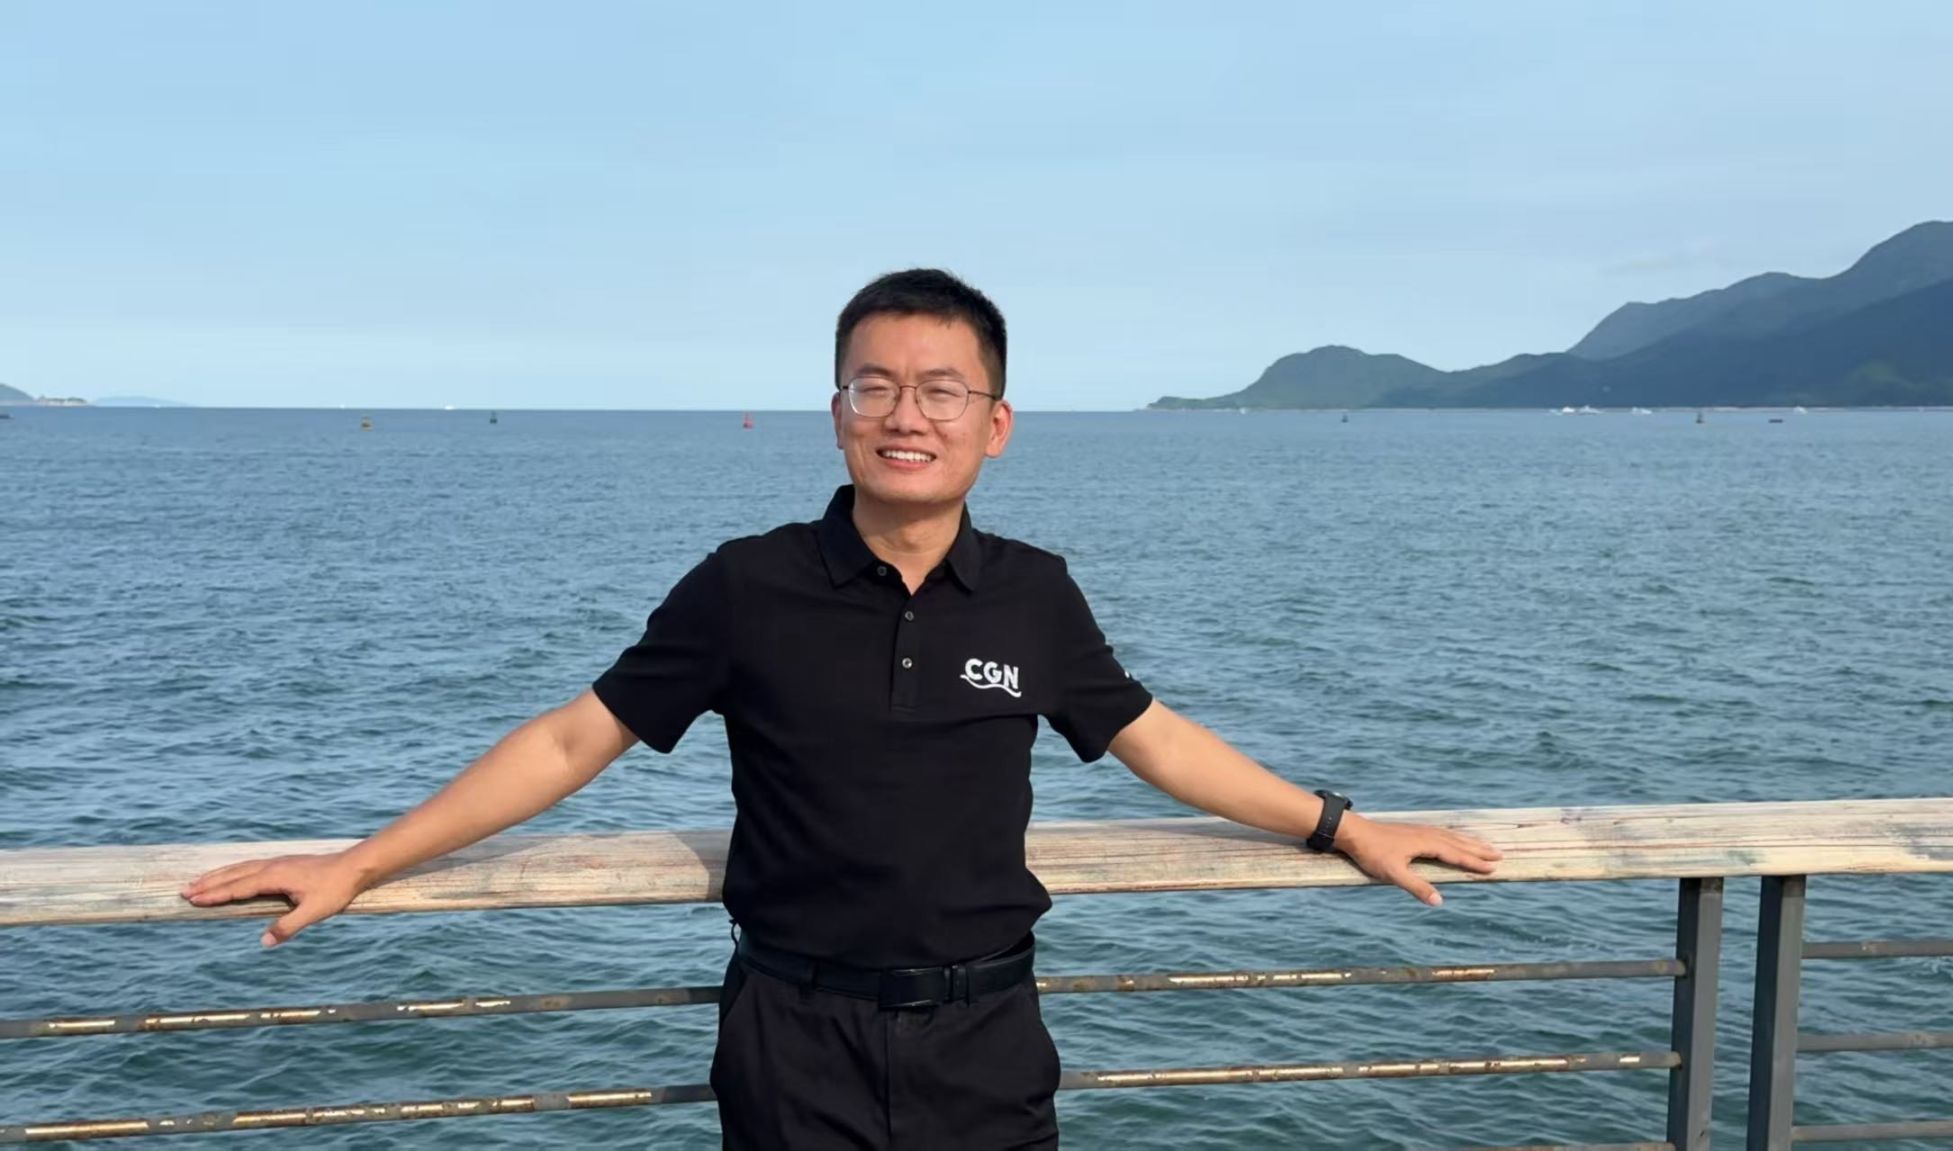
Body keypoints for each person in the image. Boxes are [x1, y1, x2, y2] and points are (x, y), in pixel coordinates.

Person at [183, 269, 1502, 1149]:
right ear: (835, 414)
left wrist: (1344, 826)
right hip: (791, 1036)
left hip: (988, 1036)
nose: (905, 414)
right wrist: (362, 863)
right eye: (876, 387)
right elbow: (573, 739)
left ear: (996, 423)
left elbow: (1151, 736)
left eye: (941, 390)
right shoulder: (747, 586)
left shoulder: (1034, 595)